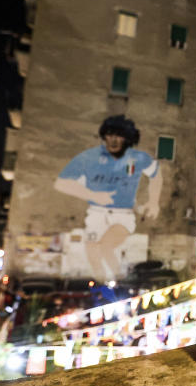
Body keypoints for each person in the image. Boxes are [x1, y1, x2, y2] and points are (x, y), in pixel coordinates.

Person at [54, 115, 162, 279]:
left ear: (127, 138)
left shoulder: (138, 158)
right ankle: (105, 289)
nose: (113, 140)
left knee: (105, 247)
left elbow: (156, 175)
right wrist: (92, 195)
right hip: (96, 213)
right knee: (92, 254)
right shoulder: (89, 158)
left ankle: (118, 281)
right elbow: (60, 183)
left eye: (119, 136)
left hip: (122, 215)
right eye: (110, 135)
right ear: (104, 136)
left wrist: (154, 202)